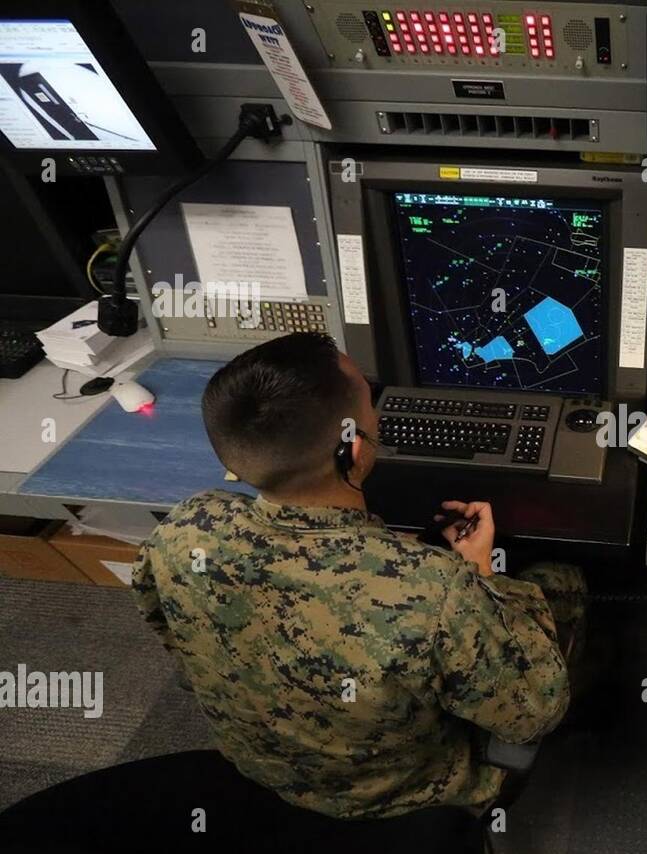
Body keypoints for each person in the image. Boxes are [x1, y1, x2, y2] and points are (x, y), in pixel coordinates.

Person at [132, 332, 583, 819]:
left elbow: (175, 644)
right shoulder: (434, 590)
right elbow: (536, 710)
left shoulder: (183, 529)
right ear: (351, 449)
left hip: (261, 767)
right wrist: (477, 574)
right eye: (370, 402)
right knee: (561, 579)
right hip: (406, 797)